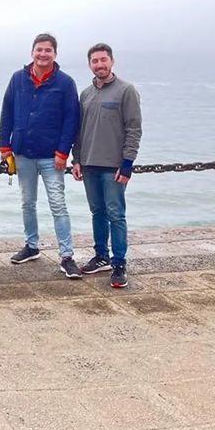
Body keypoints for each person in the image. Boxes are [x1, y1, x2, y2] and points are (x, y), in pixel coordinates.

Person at [0, 33, 81, 278]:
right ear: (32, 52)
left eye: (48, 50)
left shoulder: (65, 83)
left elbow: (71, 120)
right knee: (27, 202)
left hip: (51, 156)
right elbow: (7, 111)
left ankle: (66, 256)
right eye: (39, 50)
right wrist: (5, 146)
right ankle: (31, 246)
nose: (43, 54)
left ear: (55, 54)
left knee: (58, 204)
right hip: (23, 152)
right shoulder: (18, 79)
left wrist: (63, 152)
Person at [72, 43, 142, 288]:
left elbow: (134, 129)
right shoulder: (85, 94)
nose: (99, 64)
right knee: (97, 213)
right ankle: (101, 255)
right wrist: (76, 159)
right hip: (89, 164)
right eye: (95, 61)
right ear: (90, 64)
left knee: (116, 214)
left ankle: (119, 262)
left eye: (103, 60)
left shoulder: (126, 91)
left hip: (113, 167)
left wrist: (127, 164)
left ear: (112, 61)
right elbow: (78, 131)